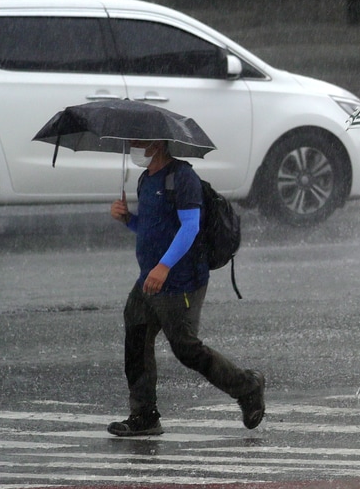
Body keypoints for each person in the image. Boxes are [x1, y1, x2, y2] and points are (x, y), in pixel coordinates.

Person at [106, 140, 265, 437]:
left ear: (157, 143)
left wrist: (164, 266)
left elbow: (189, 227)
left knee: (187, 350)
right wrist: (128, 219)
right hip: (149, 280)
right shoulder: (146, 179)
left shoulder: (182, 177)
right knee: (136, 342)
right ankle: (144, 415)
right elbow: (151, 228)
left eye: (138, 142)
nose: (133, 147)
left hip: (180, 281)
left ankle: (248, 386)